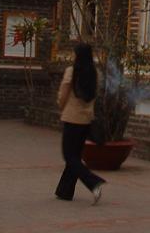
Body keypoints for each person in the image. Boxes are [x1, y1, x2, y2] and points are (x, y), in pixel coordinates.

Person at [55, 44, 105, 203]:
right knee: (75, 156)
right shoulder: (96, 73)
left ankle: (93, 182)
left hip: (72, 118)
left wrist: (61, 107)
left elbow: (63, 93)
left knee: (69, 156)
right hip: (86, 119)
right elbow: (96, 94)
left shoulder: (72, 71)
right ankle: (65, 191)